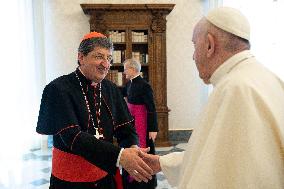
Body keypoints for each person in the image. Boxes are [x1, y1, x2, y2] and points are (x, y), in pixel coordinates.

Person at [142, 7, 284, 189]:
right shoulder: (268, 79)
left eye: (195, 45)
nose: (193, 56)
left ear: (209, 45)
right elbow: (220, 156)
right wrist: (162, 163)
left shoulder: (235, 89)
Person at [36, 31, 153, 189]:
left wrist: (132, 147)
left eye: (109, 58)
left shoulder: (111, 89)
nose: (106, 64)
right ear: (81, 57)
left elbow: (125, 128)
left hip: (105, 179)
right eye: (99, 56)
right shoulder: (58, 89)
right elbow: (73, 138)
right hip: (70, 183)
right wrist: (120, 156)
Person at [121, 58, 158, 189]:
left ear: (133, 69)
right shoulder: (129, 84)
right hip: (132, 120)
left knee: (144, 150)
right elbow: (121, 93)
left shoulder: (144, 85)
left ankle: (144, 182)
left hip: (143, 121)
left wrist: (153, 128)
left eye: (126, 69)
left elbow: (151, 108)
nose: (124, 72)